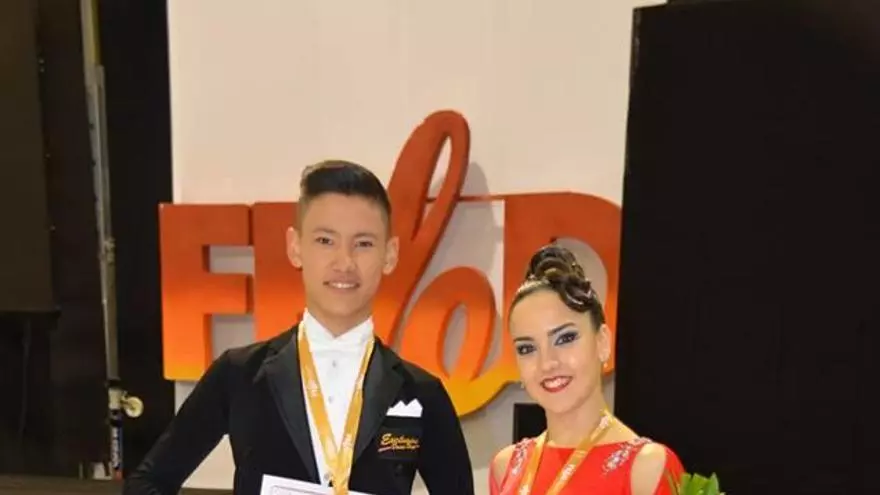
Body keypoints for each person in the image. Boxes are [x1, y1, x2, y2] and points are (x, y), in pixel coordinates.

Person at [124, 161, 474, 495]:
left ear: (390, 254)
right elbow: (146, 483)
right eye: (325, 241)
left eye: (364, 244)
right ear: (295, 247)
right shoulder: (239, 375)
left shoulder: (421, 393)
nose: (344, 262)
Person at [489, 245, 684, 495]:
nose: (547, 363)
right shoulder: (506, 466)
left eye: (565, 338)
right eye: (527, 348)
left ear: (602, 342)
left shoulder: (648, 469)